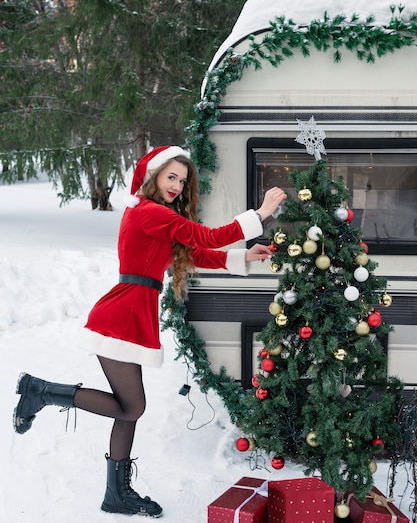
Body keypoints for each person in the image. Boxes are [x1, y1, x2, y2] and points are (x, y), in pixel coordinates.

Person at [13, 145, 287, 518]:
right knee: (133, 406)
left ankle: (116, 493)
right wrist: (261, 214)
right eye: (170, 176)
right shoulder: (149, 211)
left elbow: (191, 254)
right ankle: (42, 392)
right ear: (154, 173)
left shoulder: (157, 217)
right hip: (121, 315)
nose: (176, 185)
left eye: (182, 180)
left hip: (132, 314)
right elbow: (207, 237)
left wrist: (243, 256)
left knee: (129, 410)